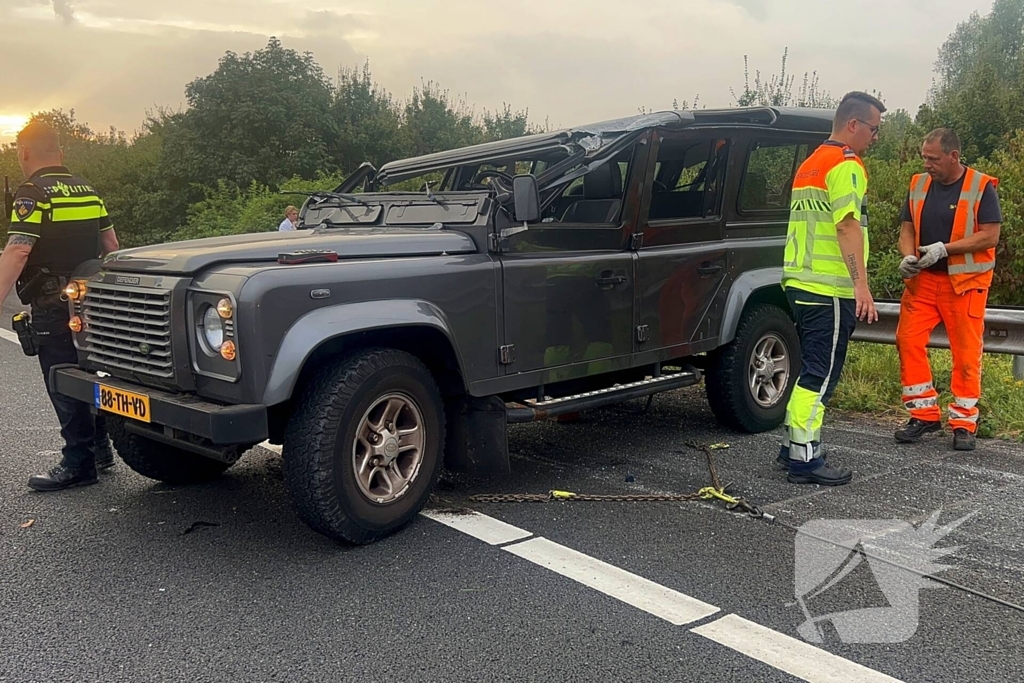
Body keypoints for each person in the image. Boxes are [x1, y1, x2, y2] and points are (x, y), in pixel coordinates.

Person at [0, 121, 121, 491]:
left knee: (61, 380)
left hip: (53, 303)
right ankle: (101, 449)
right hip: (90, 300)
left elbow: (19, 250)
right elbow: (112, 246)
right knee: (90, 371)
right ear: (61, 153)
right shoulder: (87, 190)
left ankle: (78, 462)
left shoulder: (32, 193)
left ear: (23, 152)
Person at [777, 91, 884, 486]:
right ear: (853, 125)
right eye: (873, 129)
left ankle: (792, 447)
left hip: (800, 283)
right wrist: (861, 285)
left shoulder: (810, 163)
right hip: (829, 287)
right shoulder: (845, 164)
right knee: (820, 376)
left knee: (809, 370)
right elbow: (846, 225)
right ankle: (805, 460)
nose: (875, 137)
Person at [893, 129, 1001, 451]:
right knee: (907, 339)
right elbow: (907, 228)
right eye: (924, 157)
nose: (927, 164)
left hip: (965, 285)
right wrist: (908, 256)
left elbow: (990, 236)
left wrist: (946, 249)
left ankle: (964, 423)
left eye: (933, 159)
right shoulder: (918, 184)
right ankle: (924, 415)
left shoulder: (980, 187)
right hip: (923, 282)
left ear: (953, 156)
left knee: (966, 353)